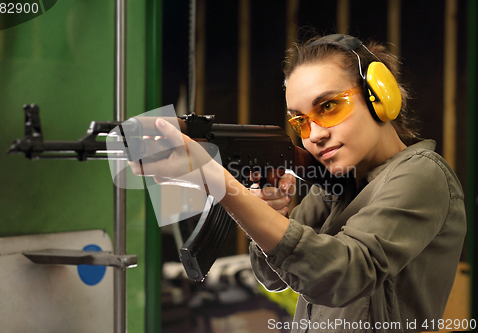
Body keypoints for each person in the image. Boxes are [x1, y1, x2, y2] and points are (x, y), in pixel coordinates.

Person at [130, 34, 466, 332]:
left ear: (380, 95)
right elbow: (273, 276)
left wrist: (218, 181)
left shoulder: (422, 173)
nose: (315, 135)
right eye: (301, 122)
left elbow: (343, 275)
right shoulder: (338, 184)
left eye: (330, 106)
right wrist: (272, 214)